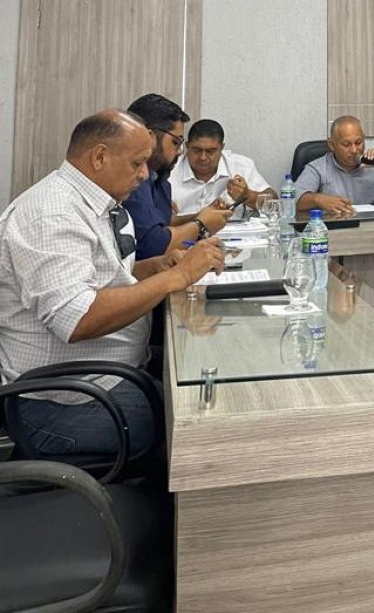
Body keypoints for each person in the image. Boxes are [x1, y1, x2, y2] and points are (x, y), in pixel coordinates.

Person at [0, 110, 223, 458]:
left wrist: (157, 267)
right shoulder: (51, 214)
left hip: (107, 376)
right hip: (63, 401)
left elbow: (106, 278)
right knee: (202, 427)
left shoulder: (97, 203)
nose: (144, 173)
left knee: (201, 378)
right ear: (100, 157)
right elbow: (78, 318)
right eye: (137, 163)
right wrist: (176, 277)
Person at [124, 94, 231, 259]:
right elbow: (154, 245)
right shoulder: (132, 178)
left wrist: (202, 215)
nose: (180, 151)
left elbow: (163, 225)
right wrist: (201, 224)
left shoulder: (159, 178)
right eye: (176, 142)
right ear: (149, 137)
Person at [295, 116, 374, 217]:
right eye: (346, 144)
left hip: (372, 228)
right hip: (334, 229)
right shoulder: (318, 168)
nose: (354, 150)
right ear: (332, 145)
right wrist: (318, 199)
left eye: (358, 142)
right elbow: (292, 200)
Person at [169, 118, 277, 218]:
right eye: (197, 150)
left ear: (221, 148)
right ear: (187, 146)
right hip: (183, 231)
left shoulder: (241, 166)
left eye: (211, 151)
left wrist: (248, 195)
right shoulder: (170, 168)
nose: (203, 157)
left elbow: (274, 204)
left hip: (233, 232)